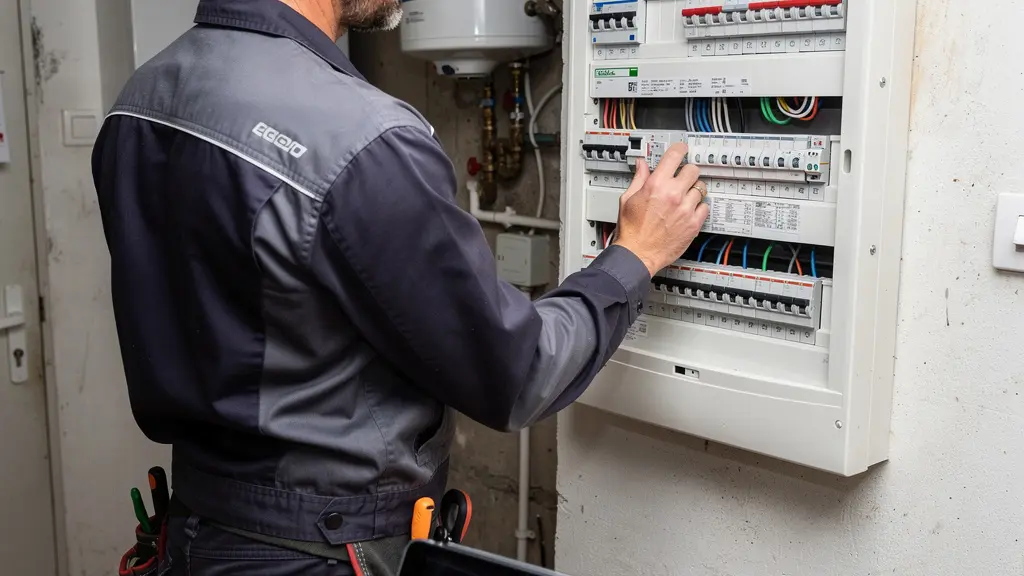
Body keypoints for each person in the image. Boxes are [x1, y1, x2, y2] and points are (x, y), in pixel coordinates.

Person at [90, 0, 709, 574]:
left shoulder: (138, 100)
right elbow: (518, 372)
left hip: (195, 537)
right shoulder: (359, 138)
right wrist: (635, 254)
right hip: (316, 551)